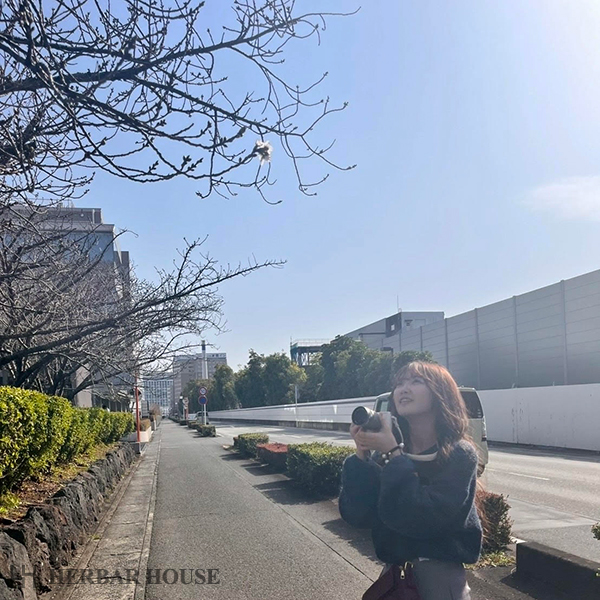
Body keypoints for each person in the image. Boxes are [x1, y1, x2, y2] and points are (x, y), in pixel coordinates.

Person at [338, 361, 482, 600]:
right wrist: (362, 456)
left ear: (440, 394)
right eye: (399, 384)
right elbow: (358, 516)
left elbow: (422, 518)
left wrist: (394, 455)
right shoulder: (389, 452)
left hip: (439, 580)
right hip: (395, 576)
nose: (404, 389)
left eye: (416, 382)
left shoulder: (459, 454)